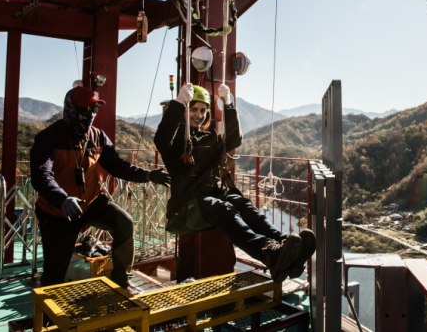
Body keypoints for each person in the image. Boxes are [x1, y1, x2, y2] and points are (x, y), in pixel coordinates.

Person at [154, 83, 316, 283]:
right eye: (193, 109)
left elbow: (233, 139)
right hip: (188, 206)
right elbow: (161, 139)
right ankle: (266, 251)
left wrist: (229, 105)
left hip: (211, 197)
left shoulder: (208, 137)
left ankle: (285, 245)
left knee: (243, 205)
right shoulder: (176, 143)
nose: (199, 115)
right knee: (225, 209)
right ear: (185, 111)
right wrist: (178, 104)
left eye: (203, 110)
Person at [30, 86, 170, 291]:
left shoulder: (97, 136)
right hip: (57, 211)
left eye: (93, 110)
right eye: (84, 110)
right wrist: (62, 199)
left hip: (91, 202)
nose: (89, 115)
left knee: (124, 222)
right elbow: (41, 176)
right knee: (54, 271)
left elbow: (117, 165)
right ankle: (48, 313)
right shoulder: (48, 138)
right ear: (70, 109)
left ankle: (121, 281)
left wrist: (147, 175)